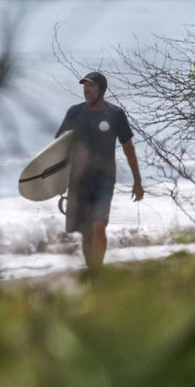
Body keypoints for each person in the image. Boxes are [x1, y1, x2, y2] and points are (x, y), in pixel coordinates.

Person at [56, 71, 143, 271]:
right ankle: (93, 271)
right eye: (85, 86)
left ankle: (98, 269)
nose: (87, 89)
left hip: (104, 179)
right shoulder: (75, 112)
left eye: (91, 86)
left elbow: (128, 147)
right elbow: (59, 146)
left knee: (99, 226)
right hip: (79, 180)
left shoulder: (115, 114)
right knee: (86, 232)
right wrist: (55, 181)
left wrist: (137, 181)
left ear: (101, 89)